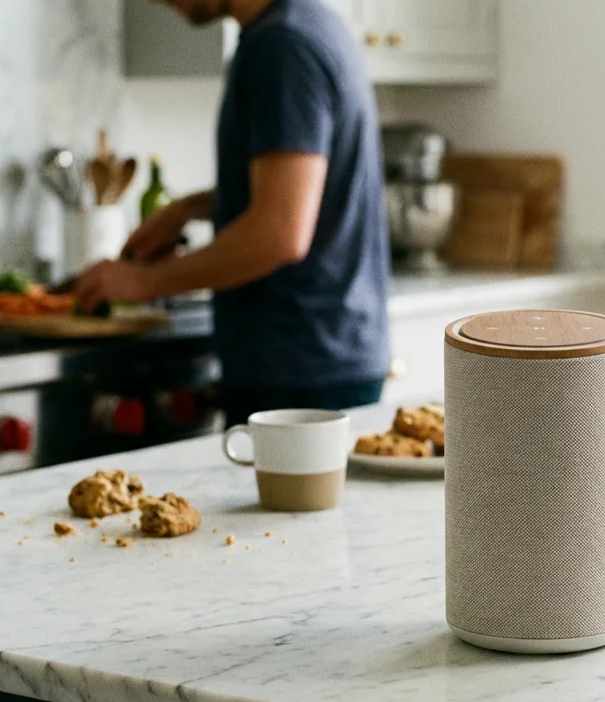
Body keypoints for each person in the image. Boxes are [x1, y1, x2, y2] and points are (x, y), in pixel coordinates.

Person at [75, 0, 390, 426]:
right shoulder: (306, 23)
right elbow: (295, 191)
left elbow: (279, 233)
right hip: (321, 355)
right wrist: (187, 209)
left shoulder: (282, 46)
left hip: (299, 368)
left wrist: (142, 281)